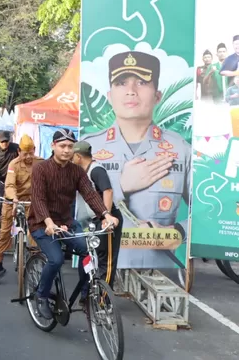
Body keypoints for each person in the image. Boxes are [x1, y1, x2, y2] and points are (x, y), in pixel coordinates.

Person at [84, 51, 190, 268]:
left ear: (157, 95)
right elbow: (73, 212)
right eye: (121, 83)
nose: (131, 91)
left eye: (142, 82)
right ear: (110, 94)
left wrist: (179, 232)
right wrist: (120, 187)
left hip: (162, 276)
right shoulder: (89, 148)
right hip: (101, 273)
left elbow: (207, 210)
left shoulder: (180, 149)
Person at [28, 129, 119, 320]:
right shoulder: (40, 169)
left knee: (88, 254)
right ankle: (41, 295)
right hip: (42, 224)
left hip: (67, 223)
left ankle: (86, 295)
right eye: (62, 146)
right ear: (53, 146)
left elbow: (90, 193)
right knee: (56, 259)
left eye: (70, 146)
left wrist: (105, 214)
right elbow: (38, 199)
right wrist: (48, 222)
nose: (66, 150)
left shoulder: (76, 171)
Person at [0, 134, 42, 284]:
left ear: (34, 150)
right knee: (4, 231)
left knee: (37, 232)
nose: (28, 156)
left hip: (32, 203)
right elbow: (10, 185)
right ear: (19, 151)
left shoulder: (41, 163)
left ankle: (36, 263)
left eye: (31, 153)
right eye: (25, 153)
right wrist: (14, 199)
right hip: (13, 200)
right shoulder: (13, 164)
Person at [72, 140, 124, 290]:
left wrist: (105, 217)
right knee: (93, 255)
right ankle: (90, 294)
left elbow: (108, 191)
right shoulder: (83, 172)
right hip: (93, 220)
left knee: (106, 261)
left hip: (108, 218)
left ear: (78, 156)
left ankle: (105, 297)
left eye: (72, 156)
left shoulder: (96, 170)